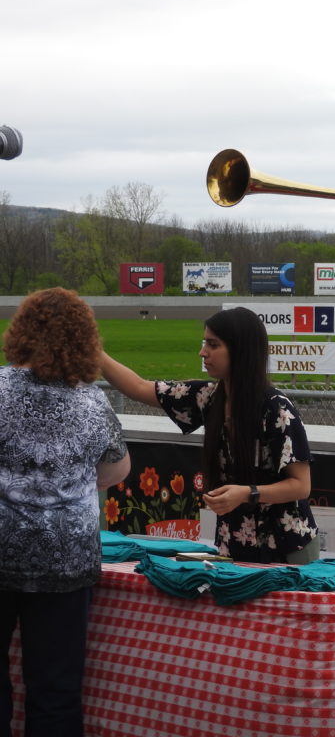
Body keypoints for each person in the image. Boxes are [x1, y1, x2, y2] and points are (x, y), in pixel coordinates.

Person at [0, 287, 131, 737]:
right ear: (84, 341)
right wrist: (70, 486)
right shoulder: (93, 402)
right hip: (67, 560)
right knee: (55, 691)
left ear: (21, 333)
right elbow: (117, 470)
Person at [99, 306, 319, 564]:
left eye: (213, 345)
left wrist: (247, 493)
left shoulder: (277, 408)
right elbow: (138, 387)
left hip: (288, 548)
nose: (203, 352)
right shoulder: (208, 397)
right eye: (205, 343)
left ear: (241, 350)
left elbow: (301, 486)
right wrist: (94, 353)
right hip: (233, 545)